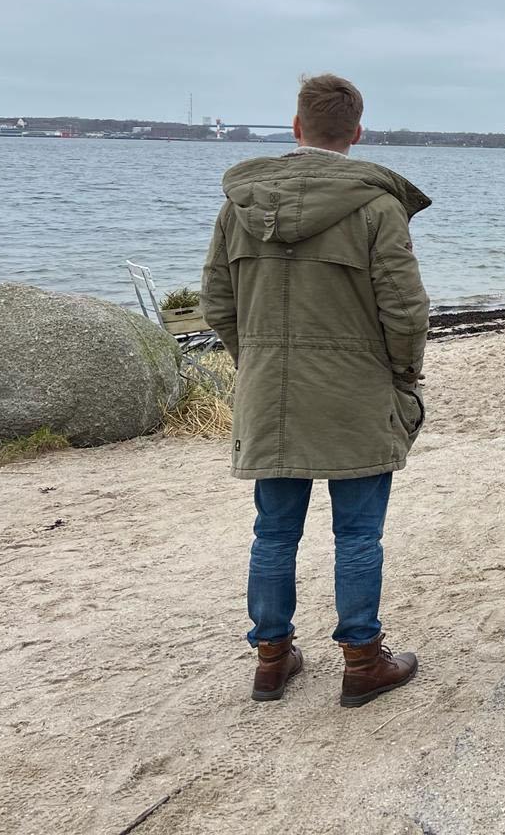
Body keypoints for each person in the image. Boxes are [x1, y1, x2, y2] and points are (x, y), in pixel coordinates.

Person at [202, 73, 430, 708]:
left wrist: (257, 360)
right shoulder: (377, 207)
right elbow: (405, 310)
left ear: (297, 126)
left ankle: (271, 659)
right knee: (358, 534)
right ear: (357, 132)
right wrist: (402, 376)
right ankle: (361, 660)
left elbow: (217, 302)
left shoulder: (239, 206)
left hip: (268, 393)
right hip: (355, 391)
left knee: (274, 532)